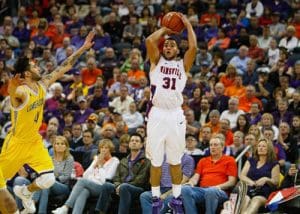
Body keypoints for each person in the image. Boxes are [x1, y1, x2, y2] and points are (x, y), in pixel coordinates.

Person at [0, 31, 95, 214]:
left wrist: (83, 48)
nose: (38, 66)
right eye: (34, 65)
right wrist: (11, 84)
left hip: (34, 142)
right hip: (16, 145)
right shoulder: (21, 92)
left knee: (48, 180)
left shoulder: (42, 85)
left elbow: (64, 66)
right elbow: (12, 92)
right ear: (27, 73)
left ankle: (25, 192)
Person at [145, 13, 197, 213]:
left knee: (175, 161)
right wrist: (166, 30)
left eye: (172, 45)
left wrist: (187, 25)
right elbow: (150, 40)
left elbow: (193, 47)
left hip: (175, 115)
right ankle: (156, 200)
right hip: (157, 114)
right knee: (156, 162)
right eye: (166, 45)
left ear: (177, 49)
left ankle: (176, 199)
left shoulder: (182, 65)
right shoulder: (155, 61)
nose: (168, 47)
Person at [52, 139, 120, 214]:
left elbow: (106, 179)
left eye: (106, 148)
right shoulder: (97, 159)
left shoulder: (115, 161)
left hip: (102, 188)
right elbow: (85, 175)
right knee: (83, 192)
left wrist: (100, 166)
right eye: (102, 148)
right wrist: (95, 164)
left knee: (81, 181)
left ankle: (66, 206)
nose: (103, 150)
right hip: (90, 185)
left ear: (110, 149)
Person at [181, 137, 238, 214]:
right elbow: (196, 177)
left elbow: (231, 182)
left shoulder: (230, 160)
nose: (212, 147)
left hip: (220, 191)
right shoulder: (203, 161)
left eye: (215, 145)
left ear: (222, 147)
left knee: (211, 191)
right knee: (185, 189)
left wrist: (217, 187)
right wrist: (191, 182)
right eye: (211, 145)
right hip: (203, 190)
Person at [240, 138, 280, 214]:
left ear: (269, 149)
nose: (261, 148)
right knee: (245, 199)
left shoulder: (274, 163)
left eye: (264, 146)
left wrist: (266, 179)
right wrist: (251, 182)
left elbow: (276, 182)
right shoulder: (251, 160)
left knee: (256, 200)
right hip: (248, 189)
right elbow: (242, 175)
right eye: (259, 146)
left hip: (263, 192)